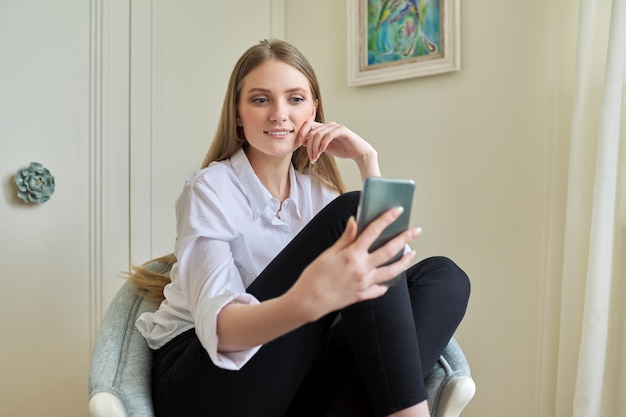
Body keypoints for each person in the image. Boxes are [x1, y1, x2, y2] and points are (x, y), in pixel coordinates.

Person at [133, 38, 470, 417]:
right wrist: (304, 303)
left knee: (445, 277)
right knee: (353, 211)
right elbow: (223, 332)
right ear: (238, 114)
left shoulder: (318, 195)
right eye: (261, 100)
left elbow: (382, 293)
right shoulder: (210, 189)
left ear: (314, 111)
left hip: (288, 380)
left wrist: (366, 160)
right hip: (203, 378)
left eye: (295, 99)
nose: (280, 114)